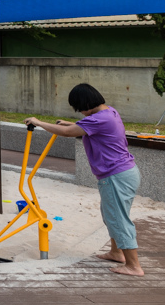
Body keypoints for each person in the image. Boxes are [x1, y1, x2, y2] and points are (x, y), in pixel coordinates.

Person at [26, 84, 144, 277]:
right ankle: (116, 253)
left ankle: (134, 266)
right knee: (111, 216)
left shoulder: (99, 119)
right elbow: (81, 127)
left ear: (86, 104)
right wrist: (68, 123)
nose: (79, 111)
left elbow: (66, 132)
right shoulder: (109, 112)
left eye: (78, 107)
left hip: (116, 176)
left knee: (119, 219)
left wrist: (38, 122)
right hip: (123, 173)